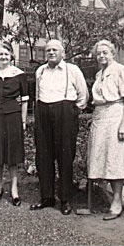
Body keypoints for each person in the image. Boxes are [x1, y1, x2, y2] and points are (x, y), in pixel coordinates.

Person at [30, 39, 88, 215]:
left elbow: (83, 95)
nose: (51, 53)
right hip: (43, 112)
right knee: (43, 156)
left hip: (65, 112)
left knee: (65, 156)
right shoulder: (40, 71)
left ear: (62, 53)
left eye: (55, 50)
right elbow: (37, 95)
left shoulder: (73, 70)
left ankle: (65, 199)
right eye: (48, 50)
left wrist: (72, 111)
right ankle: (47, 197)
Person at [87, 39, 124, 220]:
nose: (101, 56)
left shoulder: (122, 71)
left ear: (112, 54)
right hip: (101, 118)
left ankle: (117, 201)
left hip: (117, 116)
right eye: (99, 53)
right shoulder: (98, 74)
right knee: (106, 160)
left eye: (105, 53)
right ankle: (118, 198)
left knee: (116, 160)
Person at [0, 41, 28, 206]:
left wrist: (24, 120)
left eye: (6, 54)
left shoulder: (19, 74)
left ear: (12, 56)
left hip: (13, 117)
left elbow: (25, 100)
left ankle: (14, 190)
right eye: (0, 54)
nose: (3, 57)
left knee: (12, 154)